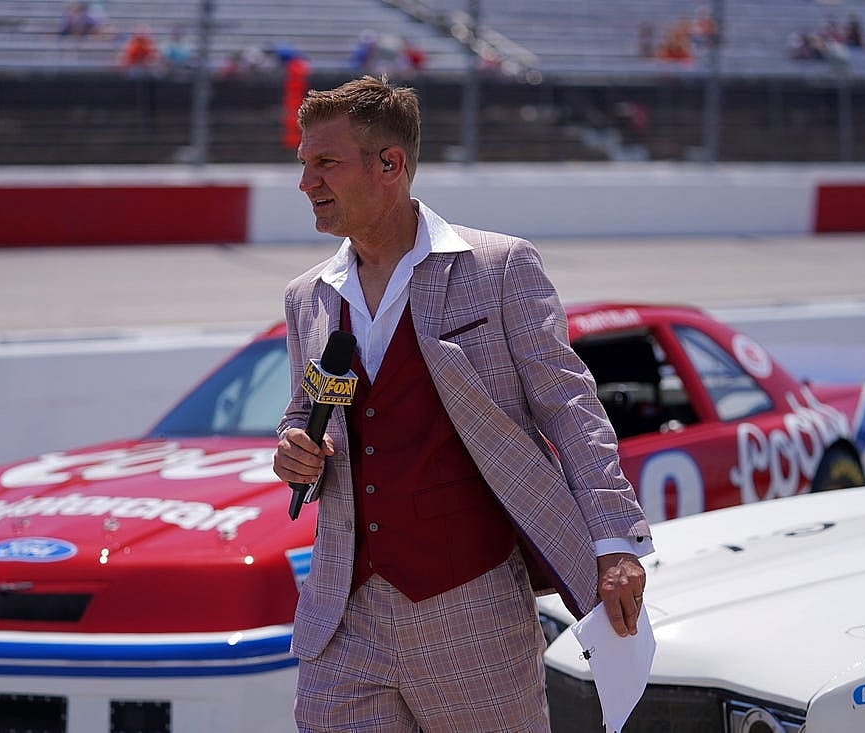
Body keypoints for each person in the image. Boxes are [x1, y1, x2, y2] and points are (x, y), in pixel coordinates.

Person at [272, 75, 653, 732]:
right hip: (343, 616)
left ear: (391, 164)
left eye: (325, 162)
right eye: (304, 164)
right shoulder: (307, 295)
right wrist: (293, 450)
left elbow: (570, 407)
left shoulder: (499, 266)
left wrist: (616, 543)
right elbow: (304, 410)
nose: (306, 182)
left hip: (471, 610)